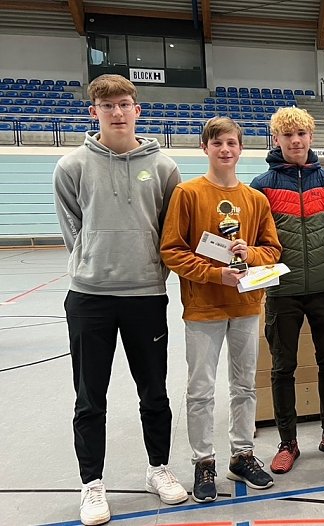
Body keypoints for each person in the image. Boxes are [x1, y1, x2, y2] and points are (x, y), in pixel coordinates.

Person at [52, 74, 187, 526]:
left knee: (154, 391)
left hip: (146, 295)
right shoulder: (71, 165)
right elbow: (72, 229)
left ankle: (159, 469)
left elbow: (171, 230)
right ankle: (92, 484)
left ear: (137, 109)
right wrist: (92, 261)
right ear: (94, 112)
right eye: (107, 106)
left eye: (124, 104)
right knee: (90, 397)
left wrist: (149, 268)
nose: (117, 112)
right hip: (89, 297)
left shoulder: (164, 167)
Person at [160, 117, 281, 502]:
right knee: (200, 390)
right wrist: (216, 274)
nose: (225, 150)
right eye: (217, 144)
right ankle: (204, 461)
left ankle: (242, 454)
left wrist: (251, 254)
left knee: (244, 385)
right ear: (204, 148)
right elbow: (172, 251)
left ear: (241, 148)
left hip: (246, 304)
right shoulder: (187, 193)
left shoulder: (256, 200)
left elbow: (272, 250)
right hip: (203, 308)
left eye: (231, 143)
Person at [250, 107, 324, 475]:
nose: (295, 141)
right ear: (276, 139)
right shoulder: (261, 186)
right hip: (282, 292)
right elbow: (257, 240)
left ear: (311, 138)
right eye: (288, 135)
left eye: (302, 134)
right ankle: (287, 442)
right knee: (283, 368)